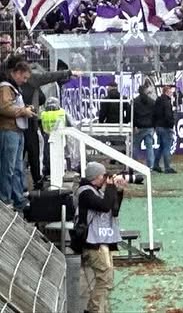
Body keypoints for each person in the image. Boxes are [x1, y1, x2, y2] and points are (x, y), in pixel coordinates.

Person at [74, 162, 126, 313]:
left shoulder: (96, 191)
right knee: (104, 276)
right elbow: (104, 206)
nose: (105, 178)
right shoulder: (85, 193)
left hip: (101, 240)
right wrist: (110, 187)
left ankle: (96, 308)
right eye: (104, 175)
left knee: (107, 278)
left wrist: (119, 191)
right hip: (92, 242)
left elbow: (113, 210)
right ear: (96, 176)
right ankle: (94, 309)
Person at [17, 61, 74, 191]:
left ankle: (23, 185)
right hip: (29, 120)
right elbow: (48, 77)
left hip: (21, 121)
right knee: (33, 153)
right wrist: (68, 72)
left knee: (21, 156)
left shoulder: (16, 81)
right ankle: (35, 180)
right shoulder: (33, 78)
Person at [0, 60, 35, 209]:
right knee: (8, 167)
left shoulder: (13, 88)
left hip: (16, 131)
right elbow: (4, 108)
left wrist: (25, 109)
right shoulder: (5, 88)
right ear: (17, 73)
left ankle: (17, 197)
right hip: (8, 131)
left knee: (17, 167)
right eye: (24, 77)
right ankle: (5, 199)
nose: (25, 81)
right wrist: (22, 111)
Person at [152, 84, 177, 174]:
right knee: (166, 147)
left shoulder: (158, 101)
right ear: (167, 92)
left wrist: (155, 125)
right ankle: (167, 167)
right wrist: (171, 124)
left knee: (161, 147)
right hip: (165, 127)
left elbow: (154, 114)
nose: (171, 93)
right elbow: (168, 115)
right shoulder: (166, 102)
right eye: (170, 92)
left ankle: (155, 164)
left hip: (158, 126)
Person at [132, 83, 156, 169]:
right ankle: (151, 166)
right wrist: (154, 126)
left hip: (139, 127)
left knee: (135, 146)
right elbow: (155, 115)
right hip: (149, 127)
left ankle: (135, 165)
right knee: (149, 147)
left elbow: (133, 115)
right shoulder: (152, 102)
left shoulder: (135, 101)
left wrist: (134, 125)